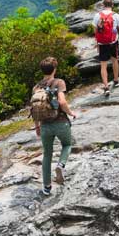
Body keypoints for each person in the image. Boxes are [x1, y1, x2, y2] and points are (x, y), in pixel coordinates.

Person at [31, 56, 77, 196]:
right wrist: (71, 113)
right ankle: (60, 165)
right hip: (61, 122)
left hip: (45, 125)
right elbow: (62, 103)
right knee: (67, 145)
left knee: (47, 155)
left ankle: (46, 187)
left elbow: (34, 109)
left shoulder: (36, 87)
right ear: (55, 69)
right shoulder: (59, 82)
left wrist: (37, 126)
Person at [92, 0, 119, 96]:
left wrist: (97, 42)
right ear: (112, 5)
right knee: (115, 61)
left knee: (103, 65)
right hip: (113, 42)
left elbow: (95, 31)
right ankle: (116, 81)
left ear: (103, 5)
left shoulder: (97, 16)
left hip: (102, 43)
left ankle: (106, 87)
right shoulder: (116, 15)